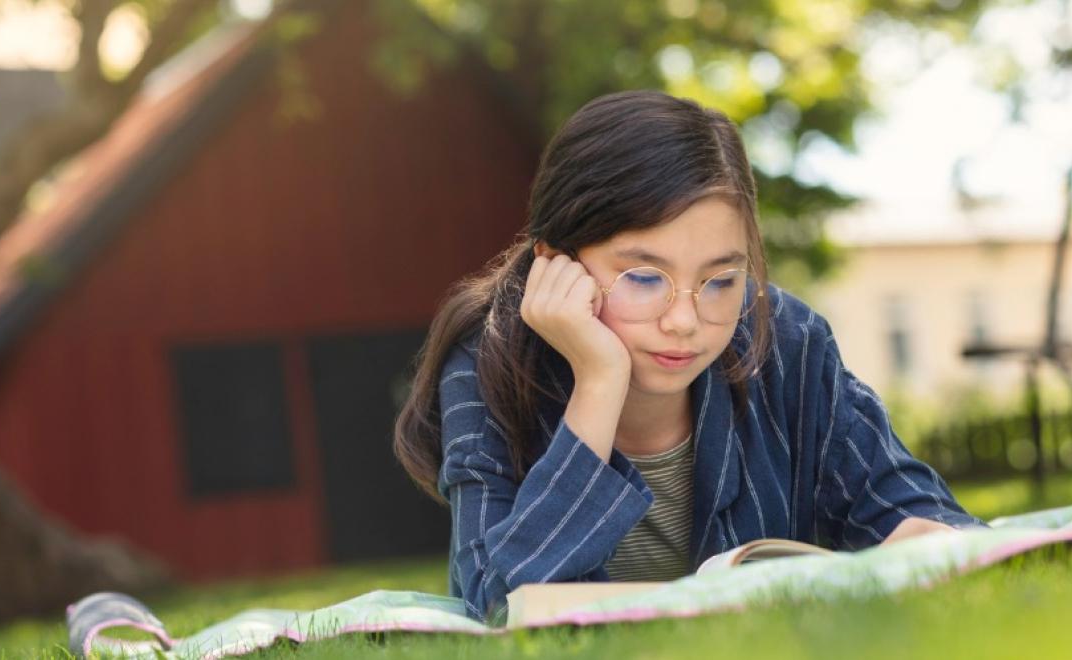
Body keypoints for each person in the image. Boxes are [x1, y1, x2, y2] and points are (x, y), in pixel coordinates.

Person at [393, 89, 987, 625]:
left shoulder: (786, 341)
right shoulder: (490, 363)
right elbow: (496, 603)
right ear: (555, 261)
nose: (684, 320)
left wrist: (926, 539)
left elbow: (934, 521)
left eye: (721, 280)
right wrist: (599, 380)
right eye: (645, 277)